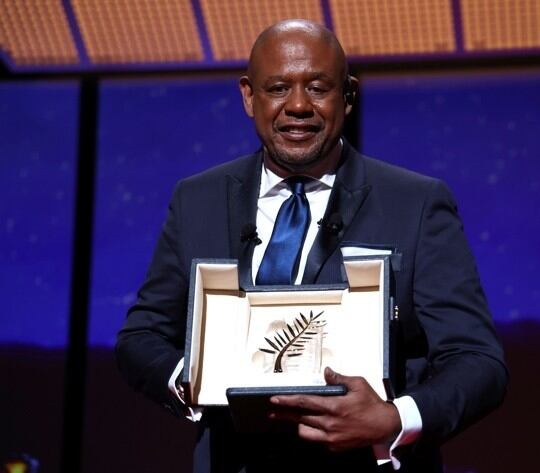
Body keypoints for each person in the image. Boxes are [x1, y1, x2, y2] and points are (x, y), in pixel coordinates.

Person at [116, 19, 507, 473]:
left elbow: (479, 363)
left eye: (318, 88)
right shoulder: (196, 199)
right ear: (249, 96)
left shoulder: (416, 203)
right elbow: (141, 337)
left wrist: (393, 418)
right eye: (278, 88)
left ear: (349, 95)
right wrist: (193, 378)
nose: (298, 105)